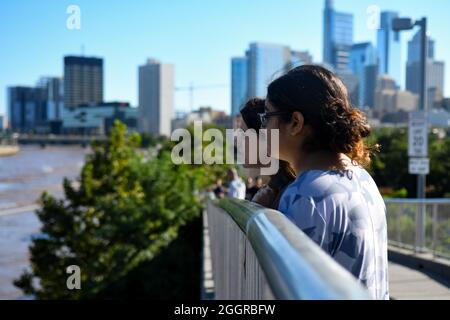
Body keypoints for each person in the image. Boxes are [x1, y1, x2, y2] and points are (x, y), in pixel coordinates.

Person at [262, 65, 388, 300]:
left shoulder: (306, 193)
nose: (263, 127)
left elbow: (291, 288)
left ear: (295, 123)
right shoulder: (362, 178)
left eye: (267, 116)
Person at [240, 97, 296, 209]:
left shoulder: (293, 193)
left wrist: (257, 211)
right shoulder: (275, 189)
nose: (237, 141)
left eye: (243, 135)